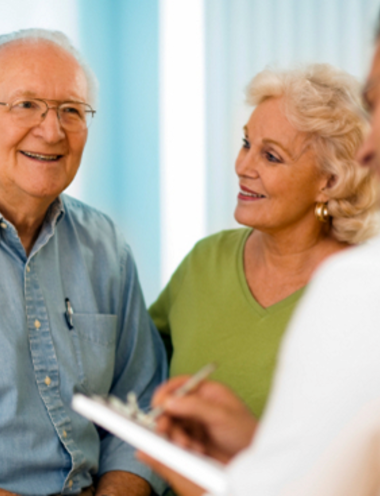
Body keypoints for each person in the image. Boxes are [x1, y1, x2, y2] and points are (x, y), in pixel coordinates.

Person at [138, 26, 380, 496]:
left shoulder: (359, 294)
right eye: (247, 142)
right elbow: (136, 371)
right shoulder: (204, 263)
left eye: (271, 155)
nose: (243, 165)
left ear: (329, 182)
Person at [0, 29, 167, 496]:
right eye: (26, 105)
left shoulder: (106, 246)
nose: (51, 131)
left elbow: (143, 403)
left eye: (71, 110)